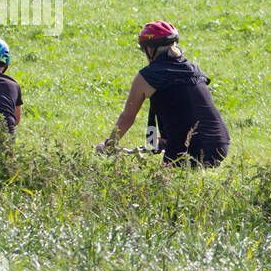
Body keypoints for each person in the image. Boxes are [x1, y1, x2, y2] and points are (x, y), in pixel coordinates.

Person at [97, 21, 230, 167]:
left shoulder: (147, 76)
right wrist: (156, 142)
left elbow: (127, 117)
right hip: (220, 144)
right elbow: (187, 110)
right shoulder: (192, 69)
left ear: (149, 49)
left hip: (187, 148)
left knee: (158, 186)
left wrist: (108, 147)